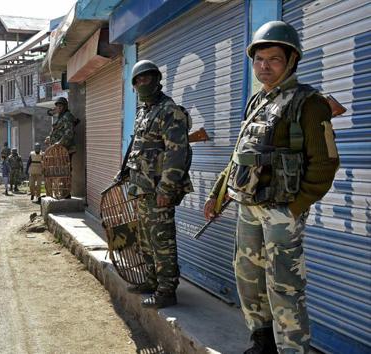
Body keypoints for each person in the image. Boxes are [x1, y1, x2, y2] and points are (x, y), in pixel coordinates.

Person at [203, 21, 339, 354]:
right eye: (259, 59)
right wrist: (219, 193)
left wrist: (294, 207)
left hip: (282, 210)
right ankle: (262, 341)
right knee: (248, 277)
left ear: (291, 60)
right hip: (248, 205)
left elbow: (325, 163)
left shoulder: (309, 103)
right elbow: (240, 156)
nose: (264, 66)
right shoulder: (257, 102)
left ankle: (293, 349)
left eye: (274, 59)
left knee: (284, 286)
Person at [124, 59, 193, 309]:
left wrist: (167, 189)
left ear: (157, 80)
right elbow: (139, 147)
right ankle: (152, 281)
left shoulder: (169, 110)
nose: (143, 83)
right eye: (138, 80)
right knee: (145, 238)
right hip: (142, 188)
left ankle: (166, 290)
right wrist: (125, 173)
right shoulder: (144, 111)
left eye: (147, 78)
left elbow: (177, 153)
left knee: (162, 240)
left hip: (158, 190)